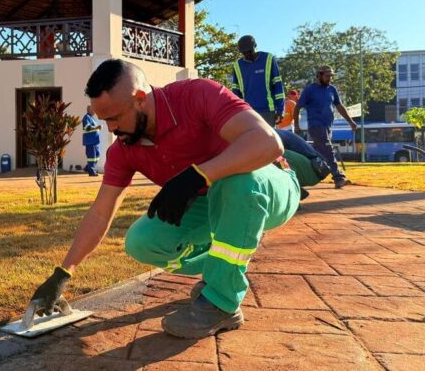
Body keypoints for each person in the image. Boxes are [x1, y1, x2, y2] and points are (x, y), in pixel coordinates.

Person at [28, 59, 299, 338]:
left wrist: (198, 175)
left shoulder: (197, 95)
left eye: (114, 118)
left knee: (238, 182)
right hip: (210, 205)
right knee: (142, 242)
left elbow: (268, 143)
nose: (110, 130)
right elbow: (100, 213)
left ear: (141, 99)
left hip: (268, 185)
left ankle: (222, 304)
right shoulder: (124, 150)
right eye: (104, 120)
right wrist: (63, 274)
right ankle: (221, 272)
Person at [294, 65, 357, 189]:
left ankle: (300, 176)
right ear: (319, 75)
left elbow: (339, 106)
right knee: (328, 150)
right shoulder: (310, 90)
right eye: (327, 76)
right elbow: (297, 107)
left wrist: (350, 121)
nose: (329, 79)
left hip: (328, 126)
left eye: (331, 76)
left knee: (318, 154)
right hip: (316, 125)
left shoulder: (332, 89)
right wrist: (296, 124)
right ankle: (339, 178)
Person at [229, 35, 285, 126]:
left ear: (255, 46)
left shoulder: (268, 58)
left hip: (268, 111)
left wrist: (280, 110)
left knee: (268, 139)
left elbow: (278, 86)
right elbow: (235, 92)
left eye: (249, 51)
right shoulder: (237, 65)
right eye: (244, 53)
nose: (247, 55)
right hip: (248, 112)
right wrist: (236, 112)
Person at [276, 128, 331, 199]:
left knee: (274, 155)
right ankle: (295, 188)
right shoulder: (269, 133)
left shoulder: (270, 136)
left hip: (315, 170)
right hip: (314, 168)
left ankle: (293, 192)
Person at [82, 105, 102, 177]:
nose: (94, 111)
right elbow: (87, 128)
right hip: (90, 141)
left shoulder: (92, 118)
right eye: (93, 109)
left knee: (97, 155)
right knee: (92, 156)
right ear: (89, 110)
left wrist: (97, 128)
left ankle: (88, 168)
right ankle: (91, 171)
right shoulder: (86, 117)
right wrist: (97, 127)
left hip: (95, 141)